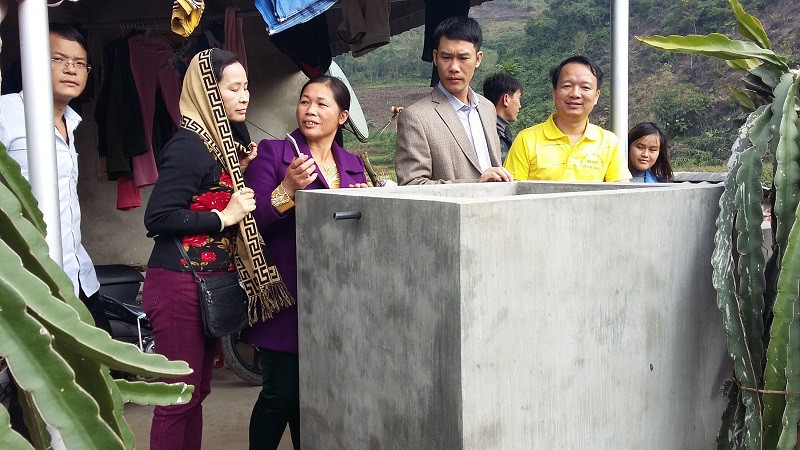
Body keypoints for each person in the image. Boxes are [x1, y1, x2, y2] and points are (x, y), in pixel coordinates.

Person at [141, 48, 261, 450]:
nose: (244, 97)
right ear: (209, 91)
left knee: (196, 393)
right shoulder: (189, 145)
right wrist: (223, 217)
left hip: (203, 282)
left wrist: (237, 175)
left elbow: (202, 193)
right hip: (178, 282)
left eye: (246, 87)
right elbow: (158, 216)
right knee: (178, 399)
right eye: (234, 88)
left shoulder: (217, 146)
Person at [244, 75, 368, 449]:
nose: (310, 110)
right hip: (287, 292)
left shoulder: (353, 164)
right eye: (304, 101)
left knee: (318, 394)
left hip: (336, 295)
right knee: (279, 392)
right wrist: (287, 190)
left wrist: (370, 204)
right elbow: (253, 222)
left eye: (321, 104)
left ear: (342, 116)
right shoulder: (272, 154)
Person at [394, 16, 512, 184]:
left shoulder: (487, 108)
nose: (454, 68)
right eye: (446, 57)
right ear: (435, 57)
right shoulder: (416, 117)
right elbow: (411, 183)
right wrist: (476, 185)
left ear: (478, 59)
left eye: (463, 58)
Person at [504, 55, 631, 182]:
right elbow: (512, 190)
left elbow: (621, 191)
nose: (575, 94)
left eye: (585, 87)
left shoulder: (609, 143)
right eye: (567, 86)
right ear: (554, 93)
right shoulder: (526, 140)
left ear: (596, 96)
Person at [482, 72, 522, 163]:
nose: (520, 106)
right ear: (506, 99)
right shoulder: (489, 134)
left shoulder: (503, 132)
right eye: (519, 98)